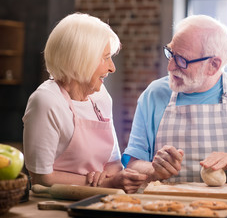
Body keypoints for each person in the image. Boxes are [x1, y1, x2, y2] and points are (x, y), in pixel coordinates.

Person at [121, 15, 227, 183]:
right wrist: (154, 169)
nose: (170, 67)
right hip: (165, 206)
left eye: (181, 60)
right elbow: (132, 164)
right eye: (170, 53)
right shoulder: (154, 94)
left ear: (214, 65)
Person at [23, 13, 147, 193]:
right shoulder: (46, 101)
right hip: (54, 204)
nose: (112, 67)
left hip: (99, 200)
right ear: (80, 59)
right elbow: (41, 177)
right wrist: (102, 184)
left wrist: (104, 179)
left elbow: (113, 164)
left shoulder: (101, 96)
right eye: (105, 58)